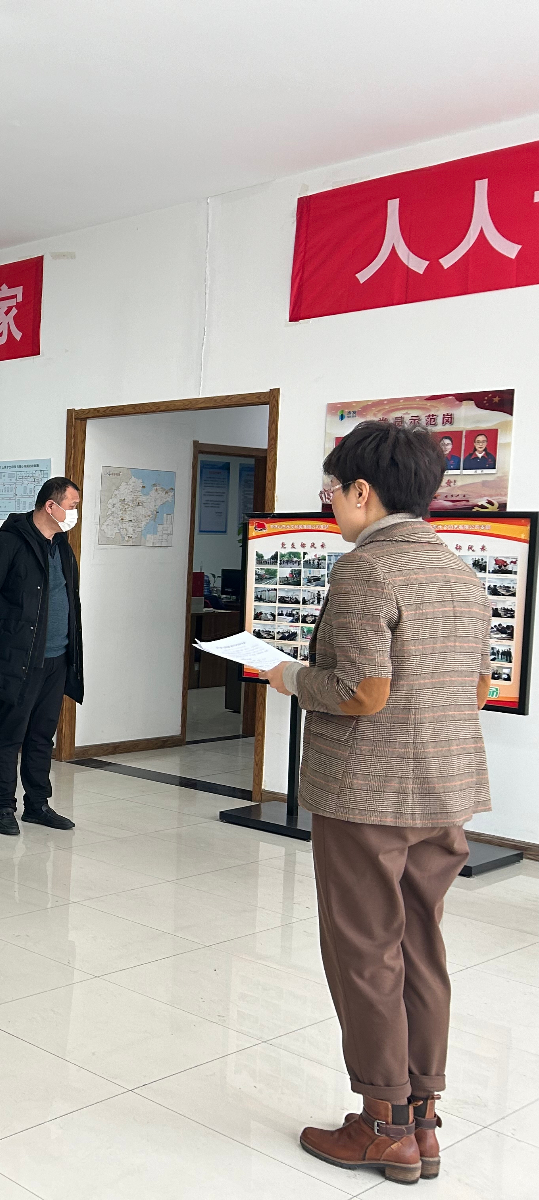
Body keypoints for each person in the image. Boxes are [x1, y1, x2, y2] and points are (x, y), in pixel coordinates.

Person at [263, 423, 491, 1185]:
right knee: (421, 944)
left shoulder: (366, 570)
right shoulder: (458, 570)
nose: (330, 504)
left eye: (331, 491)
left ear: (363, 491)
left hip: (367, 796)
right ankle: (422, 1120)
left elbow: (362, 692)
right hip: (443, 792)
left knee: (365, 954)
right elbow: (478, 685)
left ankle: (381, 1126)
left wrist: (289, 677)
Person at [0, 478, 84, 835]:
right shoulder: (6, 543)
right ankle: (4, 807)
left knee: (42, 735)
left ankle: (38, 804)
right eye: (72, 506)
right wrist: (6, 640)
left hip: (58, 658)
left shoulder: (61, 546)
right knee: (10, 734)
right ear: (50, 506)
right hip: (20, 658)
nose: (74, 513)